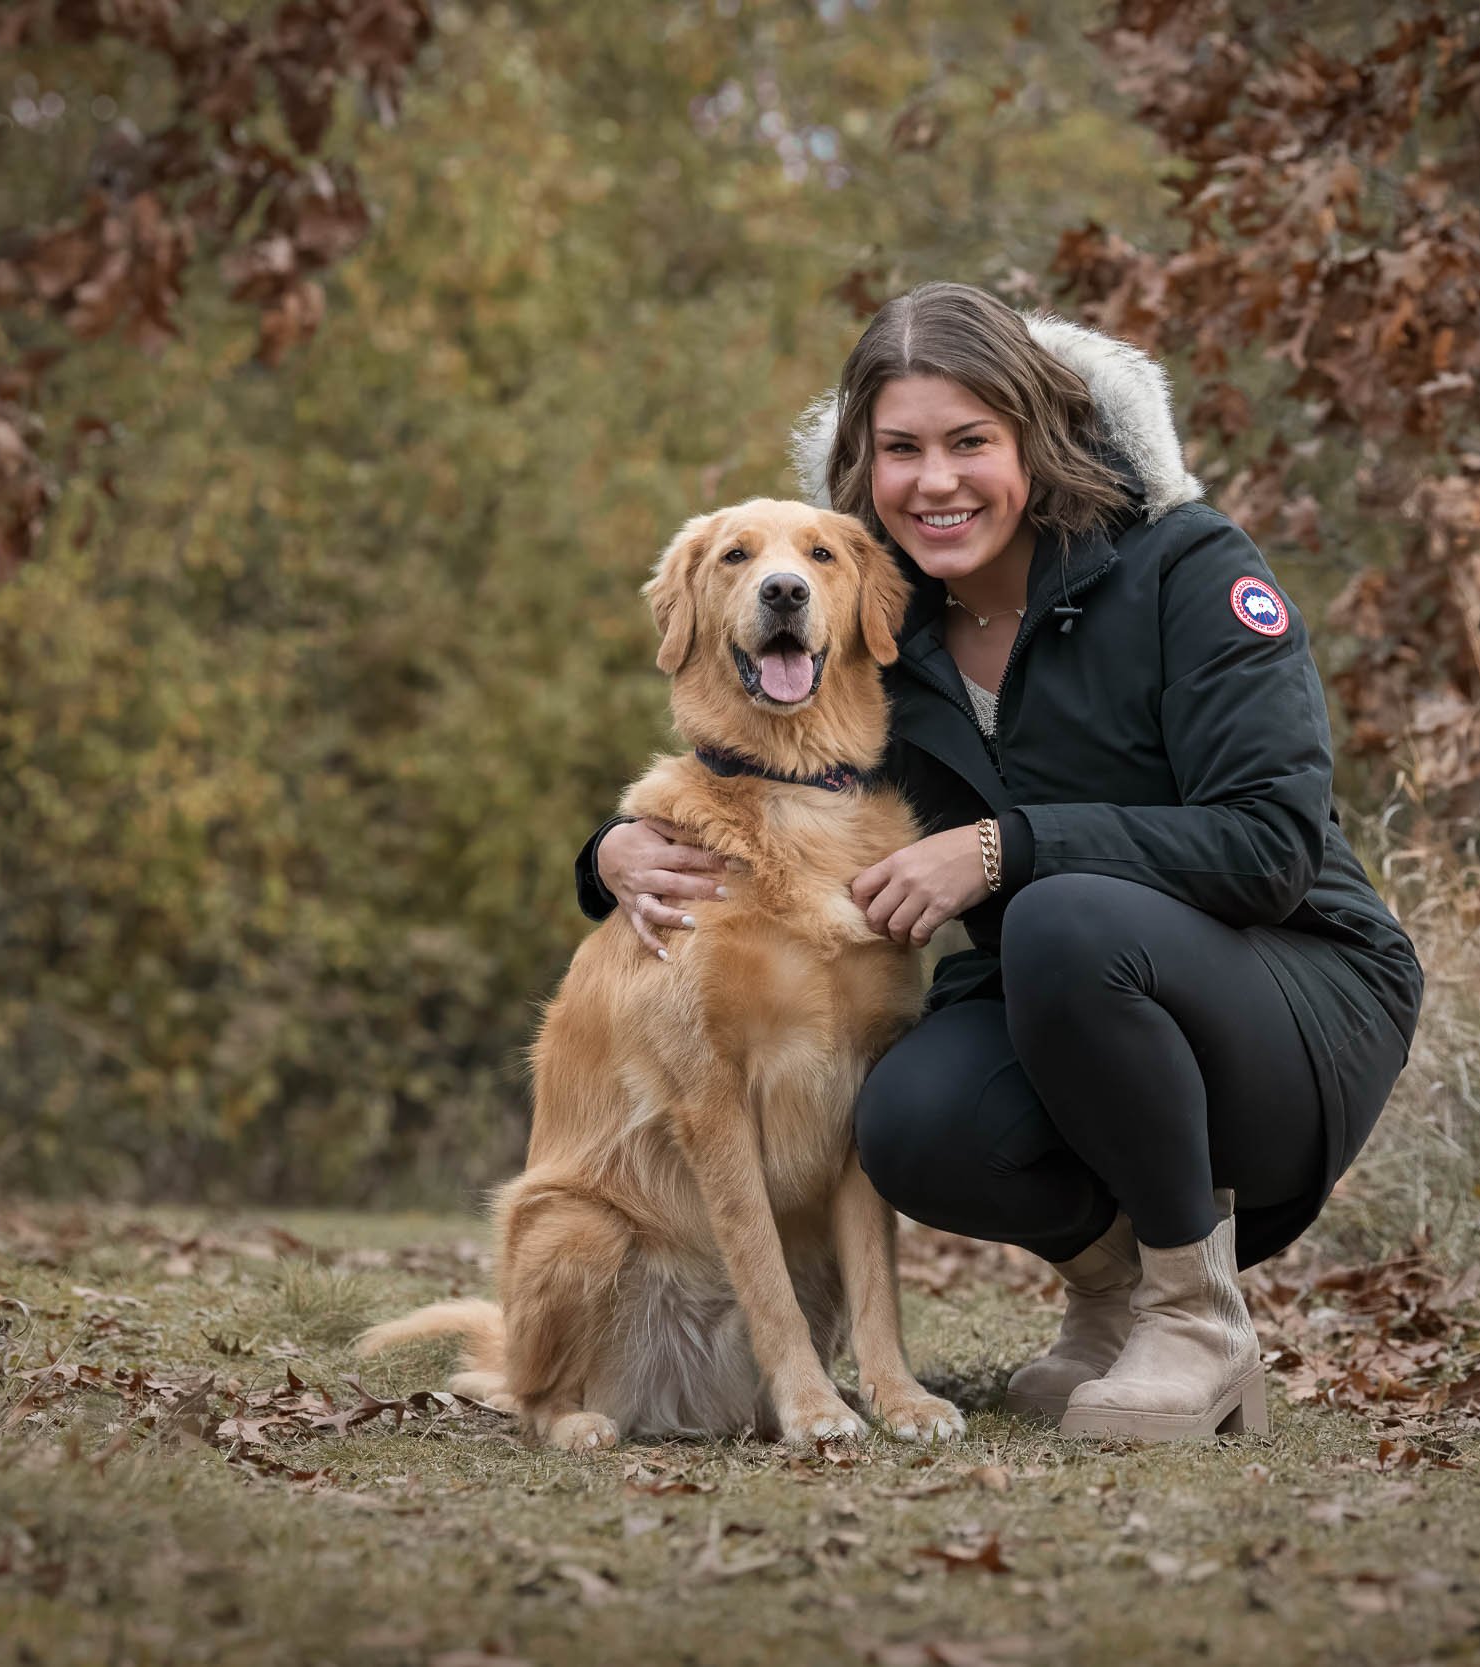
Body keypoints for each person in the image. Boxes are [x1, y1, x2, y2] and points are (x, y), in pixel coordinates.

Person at [575, 282, 1423, 1442]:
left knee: (1061, 915)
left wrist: (1007, 848)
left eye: (971, 442)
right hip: (1074, 997)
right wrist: (612, 850)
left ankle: (1196, 1318)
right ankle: (1113, 1295)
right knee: (909, 1115)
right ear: (861, 467)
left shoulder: (1185, 567)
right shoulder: (883, 620)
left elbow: (1272, 843)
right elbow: (786, 782)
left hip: (1296, 995)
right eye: (900, 449)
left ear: (1034, 437)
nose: (937, 481)